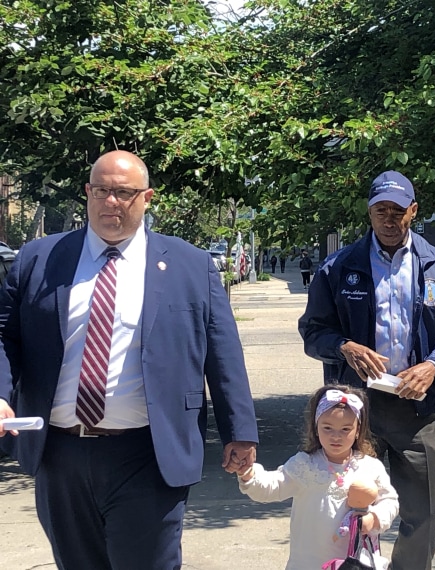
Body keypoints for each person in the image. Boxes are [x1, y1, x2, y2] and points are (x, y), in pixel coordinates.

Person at [0, 150, 259, 570]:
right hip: (59, 453)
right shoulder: (39, 260)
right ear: (87, 192)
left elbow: (222, 351)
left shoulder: (190, 266)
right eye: (101, 191)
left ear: (147, 198)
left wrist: (240, 430)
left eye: (123, 192)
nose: (110, 203)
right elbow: (4, 336)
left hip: (148, 452)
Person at [298, 170, 435, 570]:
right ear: (370, 213)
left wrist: (432, 366)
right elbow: (312, 331)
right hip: (353, 411)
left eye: (398, 210)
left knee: (426, 513)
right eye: (381, 210)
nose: (390, 219)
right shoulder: (338, 267)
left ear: (413, 211)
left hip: (415, 409)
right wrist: (344, 347)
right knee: (344, 509)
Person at [238, 385, 398, 569]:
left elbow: (390, 502)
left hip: (352, 563)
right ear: (316, 427)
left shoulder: (369, 466)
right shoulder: (305, 465)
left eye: (345, 429)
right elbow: (272, 487)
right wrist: (247, 473)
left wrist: (374, 518)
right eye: (328, 428)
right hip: (308, 562)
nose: (336, 436)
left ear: (358, 429)